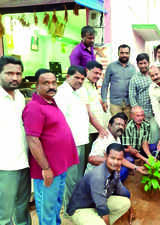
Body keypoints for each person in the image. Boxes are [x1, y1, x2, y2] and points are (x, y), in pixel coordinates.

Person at [22, 68, 79, 225]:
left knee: (56, 204)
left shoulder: (51, 102)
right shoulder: (34, 107)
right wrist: (46, 168)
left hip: (59, 168)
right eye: (46, 83)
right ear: (36, 86)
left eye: (54, 82)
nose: (51, 86)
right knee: (46, 207)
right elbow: (33, 140)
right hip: (48, 170)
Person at [54, 65, 97, 214]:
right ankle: (69, 209)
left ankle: (75, 205)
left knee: (78, 177)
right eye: (76, 77)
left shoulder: (78, 92)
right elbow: (59, 121)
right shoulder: (60, 93)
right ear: (68, 76)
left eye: (82, 78)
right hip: (68, 143)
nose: (79, 81)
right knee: (70, 179)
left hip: (80, 141)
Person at [0, 56, 31, 225]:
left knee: (22, 208)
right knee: (2, 214)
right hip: (3, 165)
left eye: (18, 73)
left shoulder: (20, 97)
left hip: (23, 162)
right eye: (9, 73)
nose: (15, 77)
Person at [67, 143, 131, 225]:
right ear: (106, 156)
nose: (115, 162)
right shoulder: (98, 175)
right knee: (102, 218)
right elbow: (102, 207)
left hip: (94, 204)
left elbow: (122, 191)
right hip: (81, 208)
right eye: (112, 158)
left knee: (125, 203)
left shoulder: (114, 172)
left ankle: (99, 221)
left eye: (119, 159)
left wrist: (131, 207)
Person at [86, 113, 147, 181]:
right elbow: (91, 159)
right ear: (110, 125)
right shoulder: (103, 138)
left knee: (127, 163)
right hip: (95, 178)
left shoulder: (117, 138)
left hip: (105, 174)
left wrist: (136, 168)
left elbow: (120, 158)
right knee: (124, 169)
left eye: (123, 125)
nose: (120, 127)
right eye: (118, 124)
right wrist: (113, 162)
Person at [79, 60, 109, 170]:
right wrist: (101, 129)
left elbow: (94, 99)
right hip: (89, 129)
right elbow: (88, 111)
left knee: (94, 156)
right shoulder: (82, 86)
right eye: (95, 73)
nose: (97, 76)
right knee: (87, 158)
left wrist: (102, 102)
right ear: (87, 70)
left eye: (99, 74)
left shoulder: (92, 85)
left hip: (96, 128)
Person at [129, 53, 160, 147]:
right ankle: (144, 157)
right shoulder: (134, 78)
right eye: (140, 63)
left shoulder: (154, 75)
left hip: (156, 113)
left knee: (155, 135)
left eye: (145, 63)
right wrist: (137, 112)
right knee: (143, 137)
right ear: (137, 64)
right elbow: (132, 96)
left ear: (148, 63)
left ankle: (155, 157)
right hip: (142, 114)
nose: (143, 65)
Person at [101, 44, 136, 118]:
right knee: (116, 126)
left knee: (128, 126)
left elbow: (135, 86)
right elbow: (105, 84)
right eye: (122, 53)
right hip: (115, 103)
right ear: (118, 53)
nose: (124, 55)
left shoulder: (133, 68)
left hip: (129, 103)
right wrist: (104, 100)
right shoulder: (111, 66)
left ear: (129, 54)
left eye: (126, 53)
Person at [121, 106, 154, 179]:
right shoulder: (127, 127)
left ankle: (146, 164)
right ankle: (131, 168)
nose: (140, 118)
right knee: (130, 160)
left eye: (142, 115)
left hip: (140, 148)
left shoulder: (146, 125)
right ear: (132, 116)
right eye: (138, 115)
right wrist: (145, 159)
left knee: (153, 148)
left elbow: (145, 144)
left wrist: (150, 157)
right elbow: (131, 149)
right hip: (130, 151)